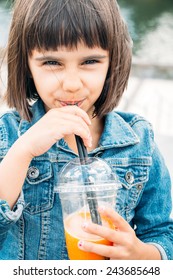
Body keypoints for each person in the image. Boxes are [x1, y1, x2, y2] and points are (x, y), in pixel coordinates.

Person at [0, 0, 172, 260]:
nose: (71, 84)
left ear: (113, 61)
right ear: (26, 65)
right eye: (51, 63)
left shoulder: (138, 142)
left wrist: (141, 254)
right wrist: (23, 151)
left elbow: (161, 232)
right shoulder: (9, 135)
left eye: (90, 61)